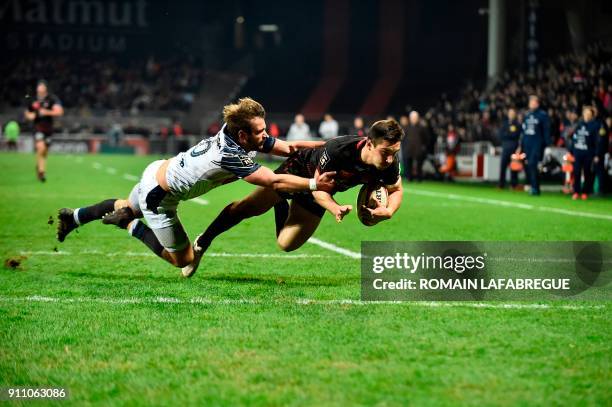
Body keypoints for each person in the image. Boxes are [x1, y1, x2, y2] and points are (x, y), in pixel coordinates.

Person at [55, 98, 335, 274]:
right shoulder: (229, 155)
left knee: (127, 206)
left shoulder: (238, 134)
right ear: (243, 134)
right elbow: (274, 181)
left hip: (158, 171)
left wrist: (331, 147)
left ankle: (74, 216)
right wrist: (313, 183)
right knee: (183, 260)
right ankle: (130, 225)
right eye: (260, 131)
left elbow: (292, 148)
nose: (266, 135)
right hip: (160, 197)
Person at [184, 119, 404, 277]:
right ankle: (202, 243)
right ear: (369, 144)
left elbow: (396, 190)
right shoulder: (340, 150)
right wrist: (334, 208)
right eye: (385, 152)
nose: (389, 159)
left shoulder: (388, 164)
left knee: (286, 244)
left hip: (320, 193)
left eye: (394, 153)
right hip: (299, 173)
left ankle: (280, 203)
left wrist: (388, 211)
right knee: (246, 208)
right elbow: (319, 188)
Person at [24, 80, 64, 182]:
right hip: (37, 128)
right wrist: (32, 116)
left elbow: (59, 111)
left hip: (49, 129)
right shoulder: (33, 100)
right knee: (40, 147)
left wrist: (46, 112)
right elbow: (28, 113)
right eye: (39, 88)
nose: (40, 90)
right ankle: (42, 172)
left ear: (45, 89)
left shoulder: (51, 99)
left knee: (44, 152)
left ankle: (39, 166)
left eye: (42, 87)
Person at [519, 95, 550, 195]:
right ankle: (532, 185)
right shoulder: (527, 115)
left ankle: (535, 187)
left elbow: (546, 130)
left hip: (536, 144)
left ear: (537, 103)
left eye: (533, 102)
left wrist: (547, 145)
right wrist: (521, 145)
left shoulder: (542, 115)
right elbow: (523, 131)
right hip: (527, 144)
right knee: (529, 165)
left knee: (533, 164)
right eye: (530, 102)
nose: (531, 103)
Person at [570, 106, 598, 200]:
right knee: (576, 172)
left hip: (588, 153)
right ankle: (576, 191)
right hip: (577, 152)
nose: (586, 115)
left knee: (587, 172)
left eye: (588, 114)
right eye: (585, 113)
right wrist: (571, 151)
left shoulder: (595, 126)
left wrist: (596, 154)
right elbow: (574, 138)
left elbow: (596, 141)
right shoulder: (579, 124)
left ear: (591, 115)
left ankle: (585, 192)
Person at [401, 111, 429, 182]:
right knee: (408, 164)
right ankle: (409, 178)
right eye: (412, 118)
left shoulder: (422, 127)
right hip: (408, 149)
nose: (414, 119)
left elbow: (426, 138)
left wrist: (423, 147)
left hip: (418, 149)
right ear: (410, 118)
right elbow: (402, 138)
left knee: (419, 164)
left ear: (418, 118)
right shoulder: (406, 127)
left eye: (415, 117)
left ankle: (419, 178)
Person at [497, 108, 521, 189]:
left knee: (514, 166)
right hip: (505, 147)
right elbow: (501, 135)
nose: (511, 115)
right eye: (510, 113)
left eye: (513, 113)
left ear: (515, 115)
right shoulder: (504, 124)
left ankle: (514, 184)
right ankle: (501, 184)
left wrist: (508, 134)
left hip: (514, 148)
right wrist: (510, 135)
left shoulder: (517, 124)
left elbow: (516, 136)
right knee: (502, 166)